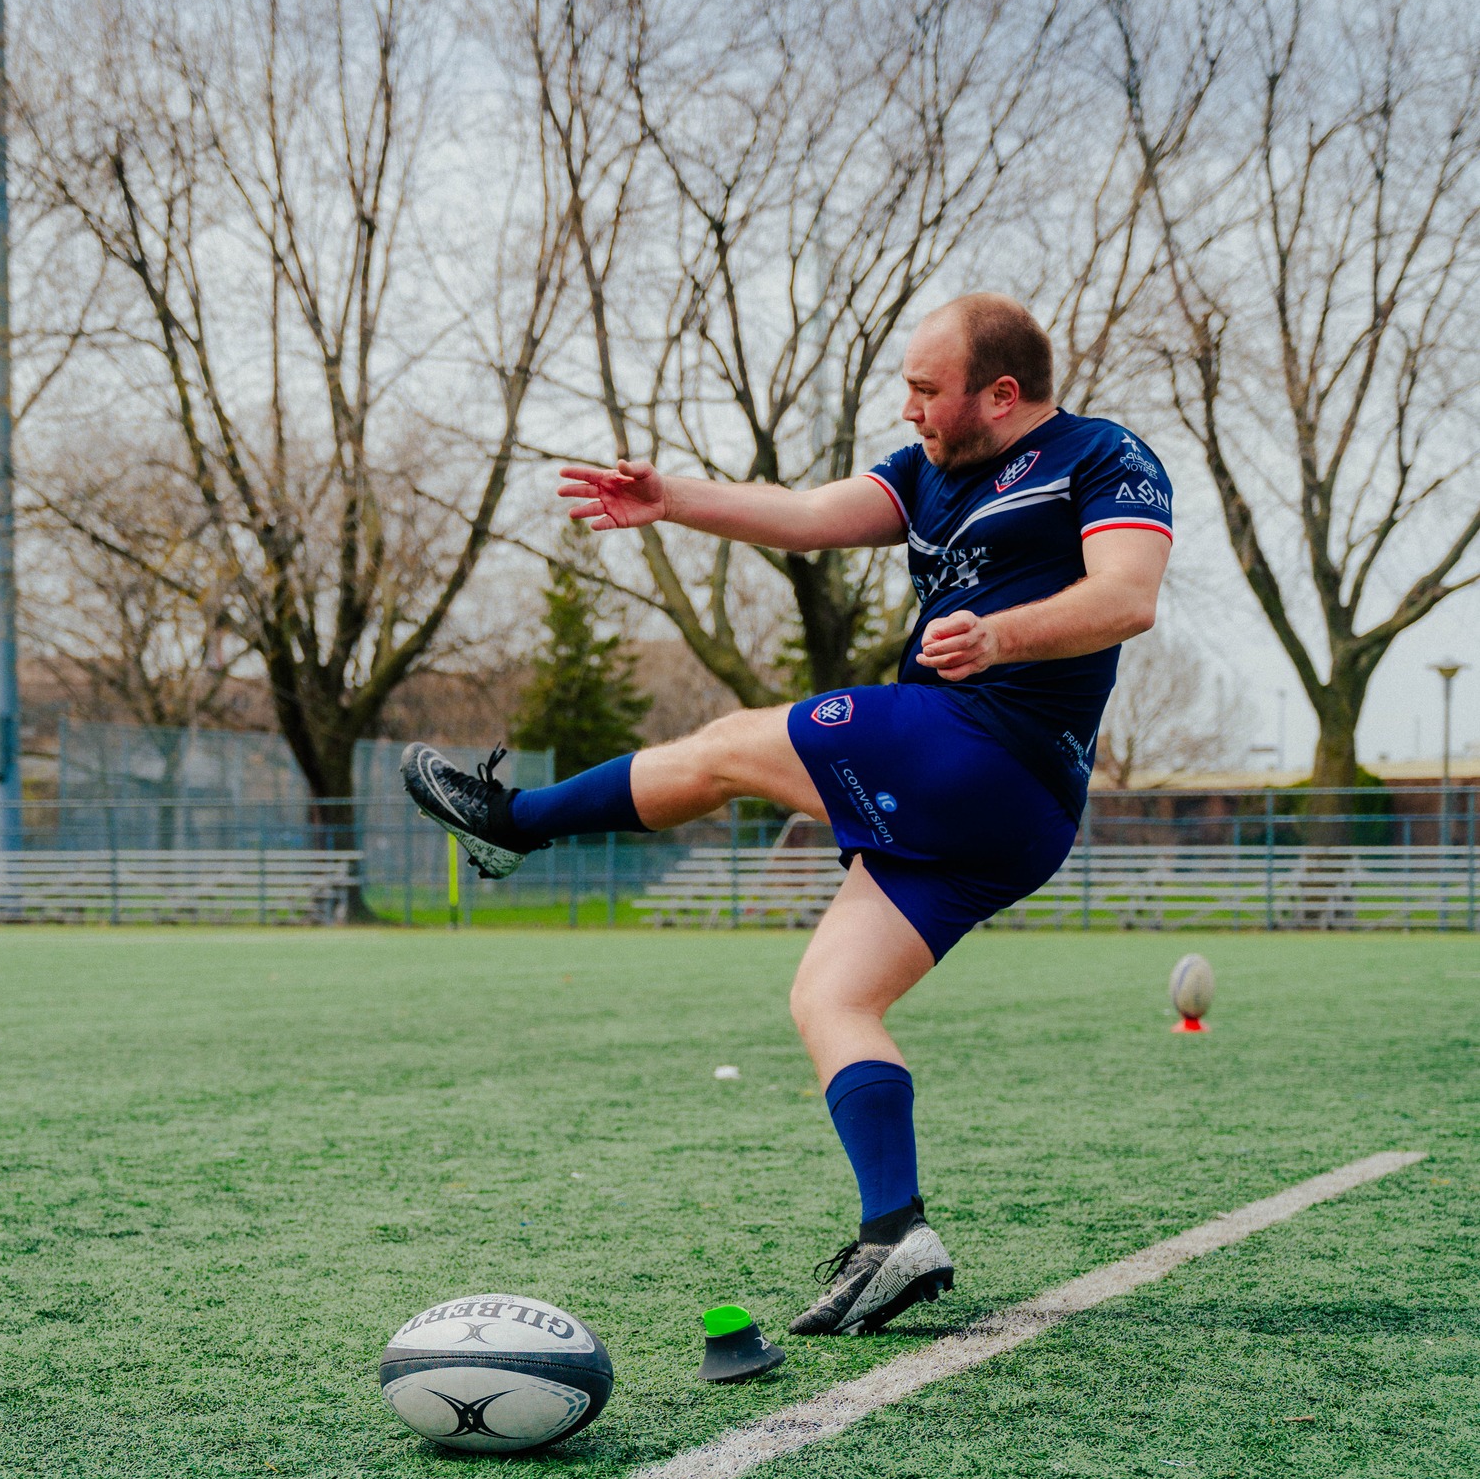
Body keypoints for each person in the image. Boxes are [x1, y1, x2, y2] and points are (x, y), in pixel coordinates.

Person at [403, 294, 1173, 1335]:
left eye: (926, 389)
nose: (909, 408)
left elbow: (1128, 597)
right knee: (830, 999)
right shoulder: (925, 473)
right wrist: (670, 498)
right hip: (1002, 817)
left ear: (1002, 394)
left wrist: (1003, 638)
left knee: (728, 746)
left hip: (989, 747)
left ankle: (514, 821)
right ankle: (896, 1232)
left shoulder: (1102, 455)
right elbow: (808, 518)